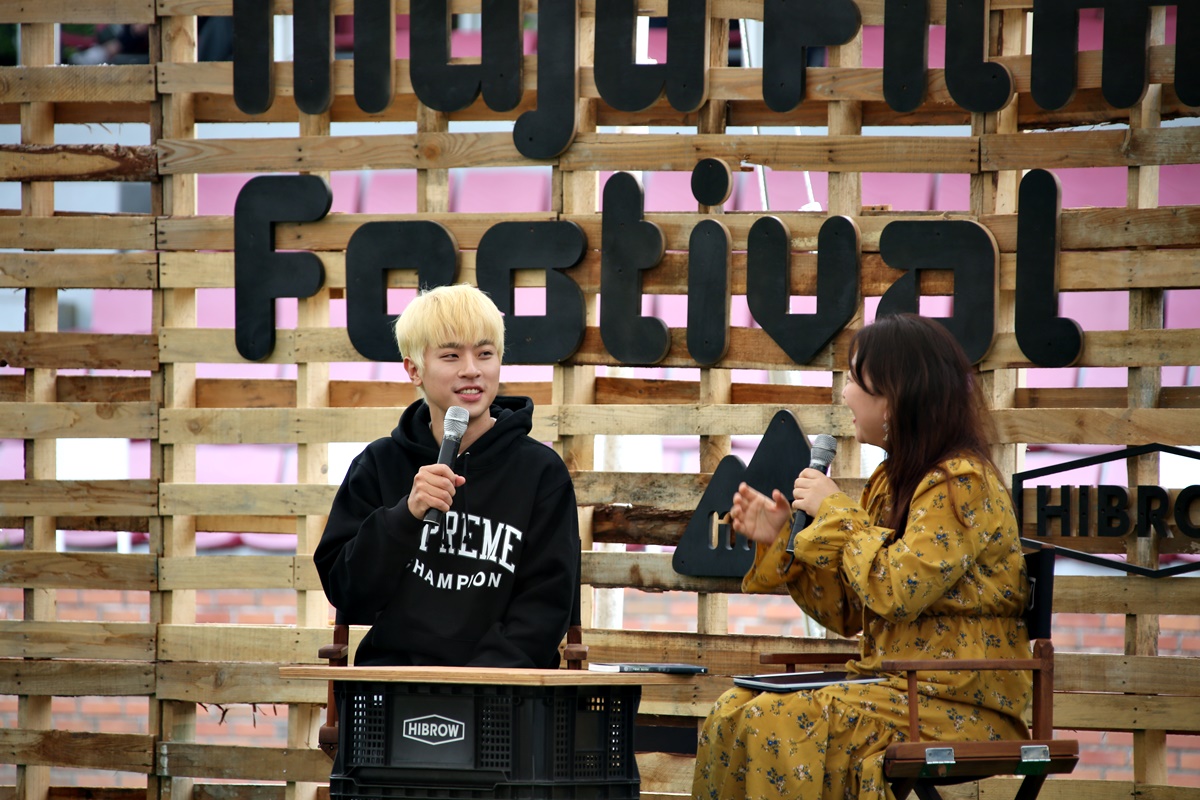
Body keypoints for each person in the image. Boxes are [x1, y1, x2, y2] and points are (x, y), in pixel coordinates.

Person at [693, 312, 1032, 800]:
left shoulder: (961, 483)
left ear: (896, 397)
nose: (846, 394)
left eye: (855, 380)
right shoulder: (889, 483)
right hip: (894, 690)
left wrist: (834, 512)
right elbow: (850, 612)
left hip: (960, 702)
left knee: (777, 720)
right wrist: (783, 537)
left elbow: (896, 590)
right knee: (731, 710)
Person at [314, 283, 579, 668]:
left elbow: (545, 606)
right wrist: (405, 516)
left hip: (502, 690)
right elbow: (348, 592)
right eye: (451, 355)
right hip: (396, 684)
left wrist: (477, 684)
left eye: (485, 353)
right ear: (414, 370)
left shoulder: (541, 472)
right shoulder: (379, 464)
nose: (471, 369)